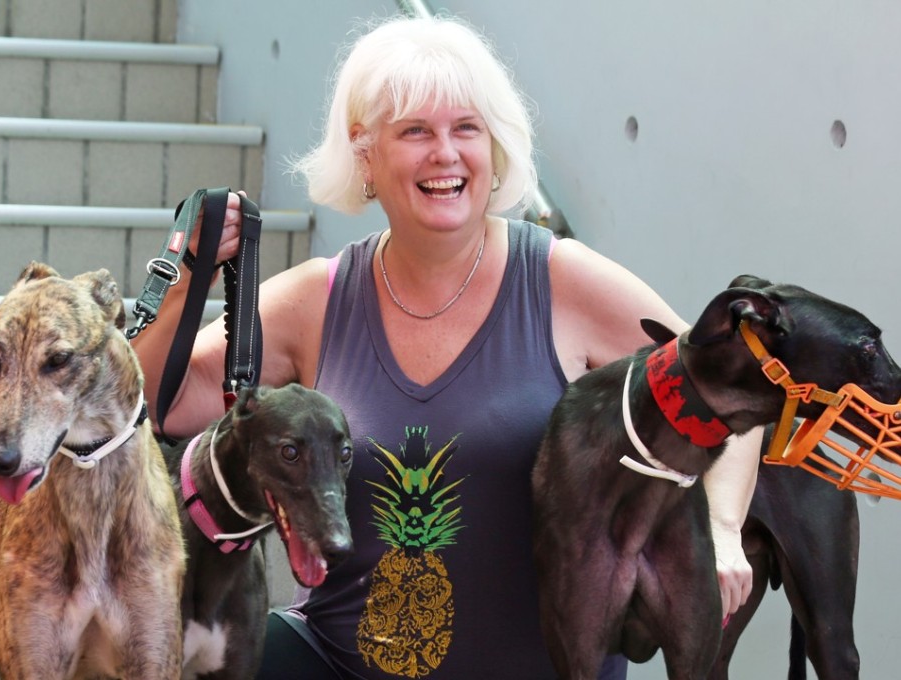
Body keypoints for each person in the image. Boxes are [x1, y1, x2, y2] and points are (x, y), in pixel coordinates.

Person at [132, 13, 760, 680]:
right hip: (339, 662)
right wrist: (186, 274)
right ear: (365, 152)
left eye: (467, 129)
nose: (446, 153)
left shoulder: (562, 280)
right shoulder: (316, 299)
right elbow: (148, 404)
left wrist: (722, 530)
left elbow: (732, 390)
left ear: (496, 148)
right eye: (415, 132)